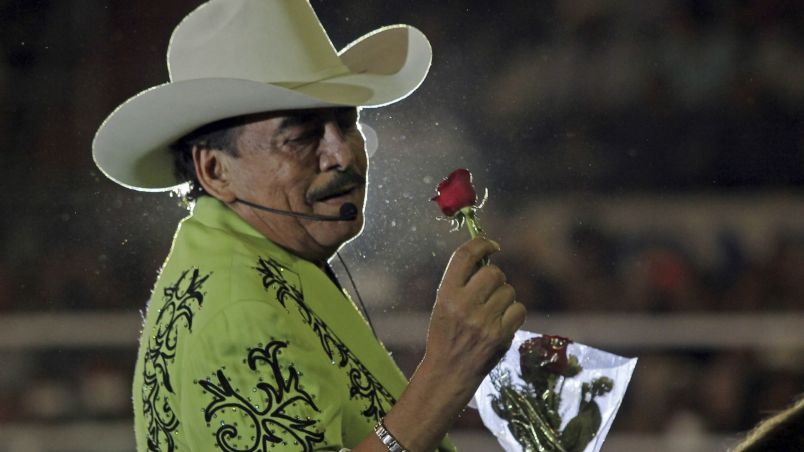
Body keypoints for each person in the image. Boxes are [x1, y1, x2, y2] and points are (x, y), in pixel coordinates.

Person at [93, 1, 526, 451]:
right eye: (300, 137)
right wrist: (445, 376)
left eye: (346, 121)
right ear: (215, 170)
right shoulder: (238, 311)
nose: (341, 154)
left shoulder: (247, 262)